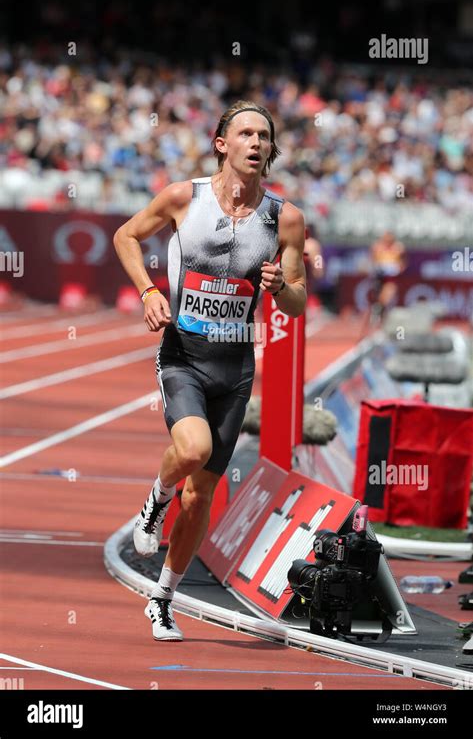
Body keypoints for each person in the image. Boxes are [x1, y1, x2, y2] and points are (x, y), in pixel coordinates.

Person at [113, 100, 307, 641]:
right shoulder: (184, 198)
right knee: (192, 450)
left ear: (269, 151)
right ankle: (156, 497)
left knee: (200, 496)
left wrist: (280, 288)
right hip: (184, 356)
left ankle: (163, 598)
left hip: (236, 367)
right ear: (222, 143)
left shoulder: (284, 219)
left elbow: (296, 302)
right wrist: (149, 290)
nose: (255, 143)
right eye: (245, 133)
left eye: (263, 137)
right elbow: (125, 236)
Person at [369, 230, 406, 322]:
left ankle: (379, 310)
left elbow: (403, 262)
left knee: (388, 293)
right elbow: (372, 259)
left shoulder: (398, 248)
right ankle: (380, 312)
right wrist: (377, 267)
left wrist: (398, 268)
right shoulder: (377, 246)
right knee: (379, 295)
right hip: (380, 275)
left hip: (391, 276)